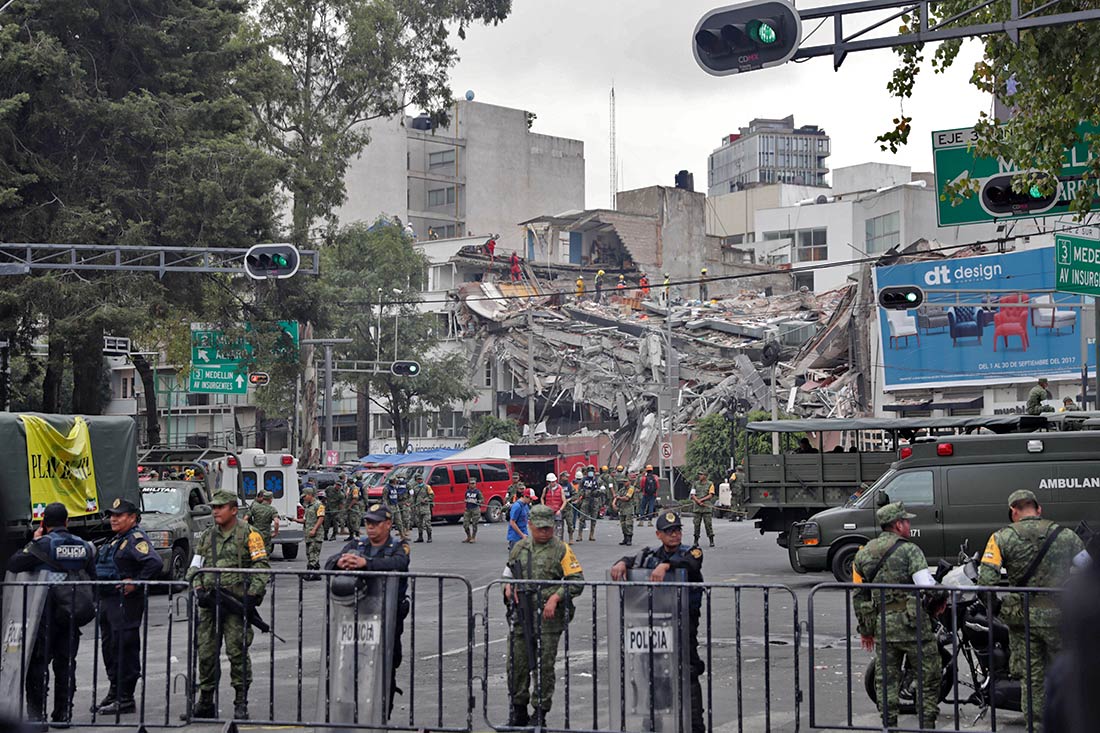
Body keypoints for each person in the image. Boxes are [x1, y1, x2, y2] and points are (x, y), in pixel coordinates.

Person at [977, 489, 1084, 725]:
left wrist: (998, 609)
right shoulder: (1064, 535)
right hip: (1060, 616)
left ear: (1013, 511)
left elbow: (986, 582)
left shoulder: (1000, 538)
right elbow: (1088, 568)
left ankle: (1035, 727)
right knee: (1067, 675)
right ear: (1038, 509)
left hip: (1023, 621)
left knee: (1031, 679)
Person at [610, 511, 706, 733]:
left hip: (684, 621)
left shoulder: (692, 551)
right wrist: (623, 562)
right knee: (653, 669)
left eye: (678, 530)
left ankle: (695, 724)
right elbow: (635, 559)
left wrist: (667, 566)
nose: (675, 535)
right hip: (655, 622)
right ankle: (654, 720)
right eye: (669, 531)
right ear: (659, 534)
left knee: (688, 669)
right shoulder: (652, 555)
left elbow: (691, 563)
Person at [6, 503, 95, 728]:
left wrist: (34, 539)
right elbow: (91, 575)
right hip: (71, 611)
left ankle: (37, 717)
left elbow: (15, 563)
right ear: (66, 521)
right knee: (66, 664)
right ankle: (63, 715)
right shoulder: (83, 546)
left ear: (44, 522)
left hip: (44, 612)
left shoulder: (43, 544)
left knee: (38, 665)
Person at [852, 502, 940, 730]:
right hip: (914, 626)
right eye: (907, 521)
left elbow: (859, 595)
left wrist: (866, 629)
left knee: (886, 680)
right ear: (898, 524)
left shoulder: (864, 553)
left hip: (884, 626)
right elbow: (926, 586)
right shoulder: (910, 550)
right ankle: (926, 724)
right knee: (928, 676)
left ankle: (889, 725)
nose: (909, 525)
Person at [185, 490, 271, 720]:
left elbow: (262, 566)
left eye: (220, 507)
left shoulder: (250, 534)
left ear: (233, 509)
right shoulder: (206, 536)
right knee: (205, 652)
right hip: (210, 604)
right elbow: (195, 565)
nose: (215, 511)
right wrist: (198, 587)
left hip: (235, 604)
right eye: (213, 507)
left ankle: (241, 702)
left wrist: (252, 594)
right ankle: (205, 701)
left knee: (237, 652)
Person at [324, 504, 411, 719]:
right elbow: (329, 563)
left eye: (376, 523)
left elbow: (399, 563)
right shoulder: (358, 544)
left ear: (388, 524)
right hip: (355, 616)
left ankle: (382, 715)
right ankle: (347, 714)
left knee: (387, 665)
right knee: (348, 664)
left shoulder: (398, 546)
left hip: (387, 617)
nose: (370, 528)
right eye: (368, 523)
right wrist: (341, 561)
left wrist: (366, 563)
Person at [502, 504, 585, 728]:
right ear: (529, 525)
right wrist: (508, 587)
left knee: (544, 667)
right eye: (539, 528)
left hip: (548, 620)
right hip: (521, 616)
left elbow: (576, 581)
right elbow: (508, 573)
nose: (544, 532)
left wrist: (556, 597)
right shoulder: (519, 547)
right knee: (516, 664)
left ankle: (540, 713)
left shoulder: (562, 549)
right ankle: (517, 710)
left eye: (548, 528)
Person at [92, 498, 164, 715]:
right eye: (112, 515)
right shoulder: (117, 539)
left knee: (125, 647)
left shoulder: (135, 539)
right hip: (109, 602)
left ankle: (125, 698)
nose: (113, 519)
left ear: (132, 518)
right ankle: (115, 691)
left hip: (125, 603)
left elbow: (155, 562)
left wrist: (136, 582)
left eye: (119, 515)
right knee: (110, 647)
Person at [298, 486, 326, 577]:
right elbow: (305, 520)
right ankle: (316, 574)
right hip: (308, 534)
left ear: (310, 495)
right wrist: (294, 520)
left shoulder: (318, 505)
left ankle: (310, 572)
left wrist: (314, 529)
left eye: (305, 496)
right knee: (310, 553)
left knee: (313, 552)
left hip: (316, 534)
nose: (304, 498)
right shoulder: (307, 506)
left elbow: (321, 518)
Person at [244, 490, 279, 558]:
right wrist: (275, 532)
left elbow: (245, 518)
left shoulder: (255, 507)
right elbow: (276, 522)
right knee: (265, 553)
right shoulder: (272, 509)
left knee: (256, 552)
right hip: (266, 534)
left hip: (256, 533)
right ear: (270, 499)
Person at [690, 470, 716, 548]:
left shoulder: (710, 484)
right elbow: (692, 494)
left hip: (706, 507)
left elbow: (711, 495)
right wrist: (697, 501)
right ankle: (696, 541)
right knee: (696, 524)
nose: (699, 476)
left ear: (705, 476)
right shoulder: (695, 484)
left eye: (701, 475)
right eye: (699, 474)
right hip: (697, 508)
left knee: (708, 524)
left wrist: (701, 500)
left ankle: (711, 540)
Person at [612, 473, 637, 546]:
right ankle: (625, 538)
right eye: (623, 482)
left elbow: (627, 498)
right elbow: (616, 496)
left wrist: (619, 498)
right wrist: (614, 504)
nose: (624, 483)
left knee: (628, 524)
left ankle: (629, 538)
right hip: (622, 509)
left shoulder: (631, 488)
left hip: (628, 509)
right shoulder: (622, 489)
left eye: (625, 481)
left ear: (629, 481)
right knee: (623, 524)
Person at [578, 466, 601, 541]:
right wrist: (583, 494)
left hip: (595, 500)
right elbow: (580, 490)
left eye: (592, 471)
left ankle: (591, 535)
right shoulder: (583, 480)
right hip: (586, 500)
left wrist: (597, 492)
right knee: (582, 517)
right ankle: (579, 535)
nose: (590, 472)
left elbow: (603, 489)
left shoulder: (598, 480)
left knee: (593, 518)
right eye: (589, 471)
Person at [411, 476, 434, 543]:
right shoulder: (415, 488)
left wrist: (426, 500)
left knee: (427, 522)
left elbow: (432, 495)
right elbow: (413, 498)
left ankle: (429, 537)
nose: (419, 480)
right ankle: (420, 537)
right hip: (418, 508)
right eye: (418, 479)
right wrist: (412, 506)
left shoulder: (427, 487)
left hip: (425, 507)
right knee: (419, 523)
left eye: (420, 479)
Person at [541, 473, 564, 538]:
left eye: (553, 482)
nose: (552, 483)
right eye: (550, 482)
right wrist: (544, 506)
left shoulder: (560, 488)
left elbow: (564, 501)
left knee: (559, 529)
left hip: (557, 511)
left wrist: (560, 510)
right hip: (549, 511)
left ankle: (558, 543)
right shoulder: (546, 489)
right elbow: (542, 498)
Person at [462, 477, 484, 544]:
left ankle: (473, 537)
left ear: (475, 484)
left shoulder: (478, 492)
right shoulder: (467, 492)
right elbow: (465, 498)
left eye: (473, 483)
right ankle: (468, 536)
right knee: (465, 524)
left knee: (474, 524)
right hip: (468, 509)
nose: (472, 485)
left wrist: (476, 501)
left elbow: (482, 500)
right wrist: (466, 500)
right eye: (470, 484)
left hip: (475, 509)